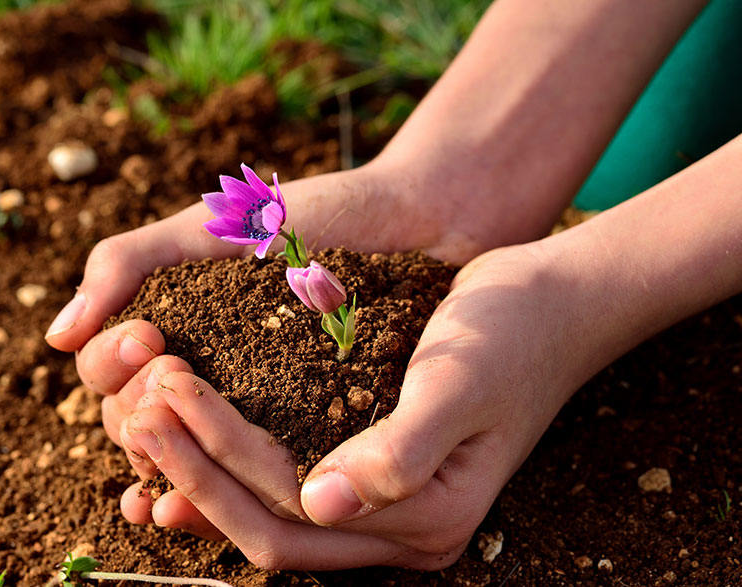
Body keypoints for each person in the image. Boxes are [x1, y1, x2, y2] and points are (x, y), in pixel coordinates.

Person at [45, 0, 742, 571]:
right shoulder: (287, 248)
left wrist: (581, 294)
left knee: (665, 155)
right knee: (652, 141)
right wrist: (446, 183)